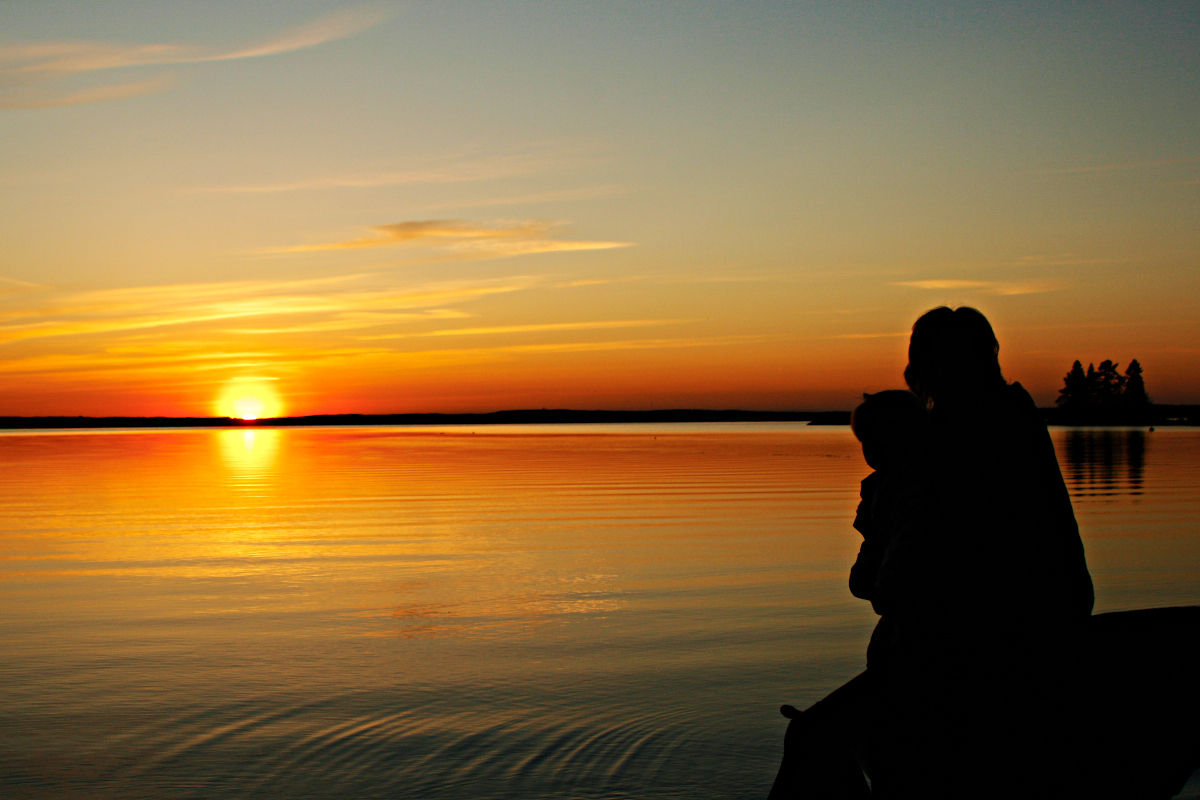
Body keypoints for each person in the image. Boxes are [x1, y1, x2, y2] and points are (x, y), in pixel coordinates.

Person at [769, 307, 1095, 799]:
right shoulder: (1012, 423)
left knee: (813, 738)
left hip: (972, 669)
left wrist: (877, 570)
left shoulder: (960, 440)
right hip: (1013, 652)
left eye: (935, 367)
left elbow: (906, 579)